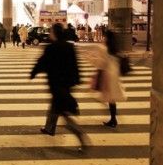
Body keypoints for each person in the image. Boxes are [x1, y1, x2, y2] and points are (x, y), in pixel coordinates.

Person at [30, 23, 89, 151]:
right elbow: (75, 65)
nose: (49, 34)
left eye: (51, 32)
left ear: (54, 33)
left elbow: (42, 62)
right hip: (66, 84)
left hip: (57, 85)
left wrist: (33, 73)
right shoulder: (69, 46)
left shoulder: (51, 48)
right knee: (54, 107)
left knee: (63, 113)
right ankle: (49, 128)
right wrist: (76, 80)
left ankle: (80, 135)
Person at [85, 30, 126, 128]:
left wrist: (90, 58)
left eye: (105, 36)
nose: (104, 38)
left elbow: (101, 63)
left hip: (107, 75)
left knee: (109, 98)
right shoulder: (115, 48)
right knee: (111, 99)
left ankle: (113, 120)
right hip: (114, 74)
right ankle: (113, 119)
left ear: (106, 37)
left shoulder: (103, 48)